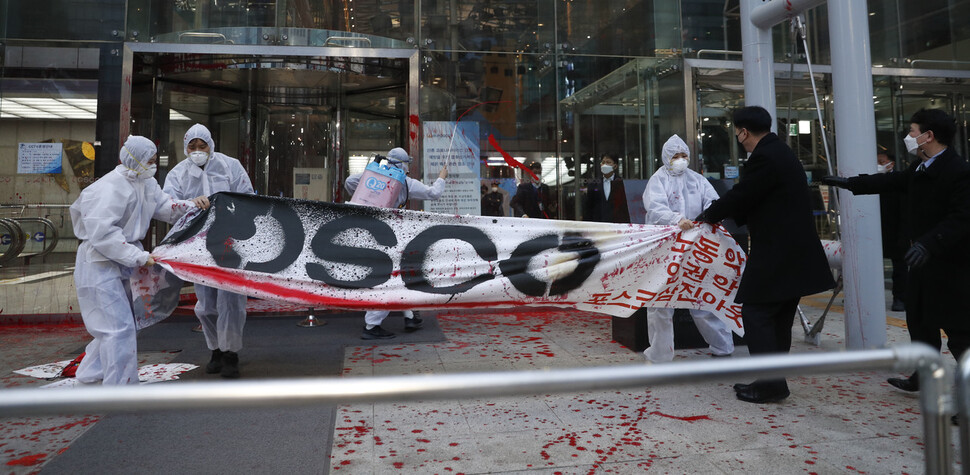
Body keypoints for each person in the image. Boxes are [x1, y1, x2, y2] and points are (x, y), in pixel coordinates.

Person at [824, 109, 970, 395]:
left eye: (913, 131)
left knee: (959, 333)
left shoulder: (959, 171)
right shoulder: (920, 168)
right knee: (920, 323)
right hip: (921, 264)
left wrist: (929, 242)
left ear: (928, 136)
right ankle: (924, 375)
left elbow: (962, 218)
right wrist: (851, 184)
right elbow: (891, 182)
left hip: (951, 266)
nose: (909, 137)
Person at [698, 106, 835, 404]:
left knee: (756, 313)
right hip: (792, 250)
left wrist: (708, 215)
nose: (738, 137)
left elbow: (743, 194)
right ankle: (772, 379)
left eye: (737, 132)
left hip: (778, 251)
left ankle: (771, 383)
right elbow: (760, 197)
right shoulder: (781, 152)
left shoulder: (764, 157)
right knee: (779, 317)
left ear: (744, 131)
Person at [70, 135, 208, 385]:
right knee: (118, 327)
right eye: (150, 160)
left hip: (122, 262)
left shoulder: (146, 183)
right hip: (99, 263)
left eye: (155, 160)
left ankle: (90, 374)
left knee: (116, 326)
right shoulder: (108, 187)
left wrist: (193, 206)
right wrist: (139, 257)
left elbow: (167, 207)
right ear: (133, 158)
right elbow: (103, 234)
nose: (153, 165)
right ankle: (120, 387)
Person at [163, 124, 255, 379]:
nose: (197, 151)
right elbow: (167, 205)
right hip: (197, 245)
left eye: (201, 146)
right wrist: (189, 204)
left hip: (229, 243)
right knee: (206, 304)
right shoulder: (178, 173)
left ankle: (231, 353)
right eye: (192, 146)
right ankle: (214, 348)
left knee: (232, 300)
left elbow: (247, 197)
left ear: (210, 145)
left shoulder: (230, 165)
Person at [642, 135, 734, 363]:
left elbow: (712, 202)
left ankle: (723, 347)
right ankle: (659, 354)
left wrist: (708, 217)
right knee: (660, 302)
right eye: (676, 156)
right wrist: (677, 219)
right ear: (666, 157)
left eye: (684, 156)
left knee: (703, 298)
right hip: (666, 249)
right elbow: (655, 209)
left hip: (697, 248)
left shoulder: (697, 180)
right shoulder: (657, 180)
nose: (681, 160)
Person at [345, 147, 448, 339]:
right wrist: (442, 176)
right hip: (389, 235)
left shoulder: (372, 175)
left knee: (398, 275)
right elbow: (434, 193)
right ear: (403, 165)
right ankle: (371, 325)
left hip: (366, 230)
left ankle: (409, 316)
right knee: (389, 278)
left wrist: (369, 191)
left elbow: (349, 182)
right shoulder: (406, 182)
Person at [876, 151, 908, 312]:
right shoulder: (874, 181)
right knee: (871, 267)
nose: (879, 165)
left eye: (882, 162)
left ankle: (900, 298)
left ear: (891, 163)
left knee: (900, 267)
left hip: (896, 231)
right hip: (876, 231)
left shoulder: (899, 181)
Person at [586, 154, 631, 223]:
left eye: (608, 162)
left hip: (617, 223)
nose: (605, 165)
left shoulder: (622, 183)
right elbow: (589, 207)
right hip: (598, 223)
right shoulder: (593, 184)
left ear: (615, 166)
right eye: (603, 162)